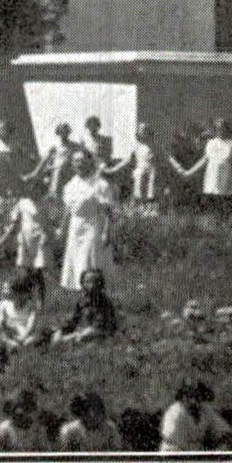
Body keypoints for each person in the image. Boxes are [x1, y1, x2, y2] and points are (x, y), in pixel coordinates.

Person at [59, 153, 115, 293]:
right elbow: (68, 211)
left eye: (83, 161)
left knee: (90, 259)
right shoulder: (70, 185)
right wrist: (62, 229)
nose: (80, 164)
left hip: (93, 225)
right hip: (75, 227)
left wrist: (106, 232)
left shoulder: (100, 184)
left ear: (90, 163)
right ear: (72, 164)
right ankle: (82, 295)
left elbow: (108, 211)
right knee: (77, 259)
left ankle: (95, 295)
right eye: (76, 161)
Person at [173, 118, 232, 213]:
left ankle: (225, 223)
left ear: (226, 128)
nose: (220, 130)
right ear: (215, 130)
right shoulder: (211, 143)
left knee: (225, 206)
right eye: (218, 128)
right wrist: (189, 172)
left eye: (222, 128)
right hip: (212, 177)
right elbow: (204, 160)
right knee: (212, 204)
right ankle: (213, 222)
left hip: (226, 179)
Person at [159, 380, 232, 452]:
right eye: (189, 396)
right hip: (173, 454)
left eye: (197, 396)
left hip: (197, 455)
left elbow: (225, 432)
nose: (193, 401)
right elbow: (173, 441)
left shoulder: (205, 410)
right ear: (182, 397)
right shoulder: (175, 412)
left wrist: (222, 447)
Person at [52, 268, 118, 344]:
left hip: (99, 331)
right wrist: (63, 329)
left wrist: (84, 331)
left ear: (100, 284)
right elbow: (74, 319)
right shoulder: (82, 301)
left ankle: (67, 340)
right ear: (82, 283)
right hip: (81, 329)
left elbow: (100, 324)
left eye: (95, 282)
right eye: (87, 282)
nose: (91, 285)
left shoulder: (103, 301)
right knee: (57, 332)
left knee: (87, 334)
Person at [104, 123, 163, 208]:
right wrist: (113, 169)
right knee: (139, 175)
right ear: (139, 133)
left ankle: (150, 204)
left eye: (146, 131)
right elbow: (127, 160)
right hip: (140, 169)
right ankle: (139, 205)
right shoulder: (137, 147)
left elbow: (165, 158)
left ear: (149, 133)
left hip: (151, 170)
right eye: (142, 131)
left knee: (152, 179)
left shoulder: (155, 146)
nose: (144, 133)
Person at [0, 275, 40, 352]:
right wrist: (4, 330)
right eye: (17, 292)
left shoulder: (32, 307)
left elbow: (30, 327)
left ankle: (11, 347)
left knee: (31, 341)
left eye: (24, 293)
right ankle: (6, 346)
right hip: (8, 334)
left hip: (23, 335)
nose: (20, 296)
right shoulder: (4, 304)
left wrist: (20, 338)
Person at [58, 392, 122, 452]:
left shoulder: (109, 428)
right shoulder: (70, 430)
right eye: (87, 410)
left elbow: (117, 453)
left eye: (97, 410)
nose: (93, 414)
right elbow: (65, 457)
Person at [0, 388, 48, 452]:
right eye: (16, 407)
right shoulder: (4, 429)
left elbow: (44, 452)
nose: (20, 411)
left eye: (24, 407)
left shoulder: (38, 428)